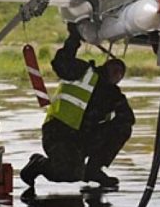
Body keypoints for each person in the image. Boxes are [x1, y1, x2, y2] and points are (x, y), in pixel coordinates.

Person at [20, 24, 135, 196]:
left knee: (123, 127)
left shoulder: (114, 95)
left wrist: (110, 128)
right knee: (69, 174)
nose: (118, 74)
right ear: (107, 66)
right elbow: (61, 63)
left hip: (82, 138)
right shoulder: (83, 72)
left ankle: (94, 170)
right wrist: (74, 37)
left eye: (121, 73)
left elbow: (127, 118)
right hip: (59, 133)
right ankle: (39, 164)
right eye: (115, 69)